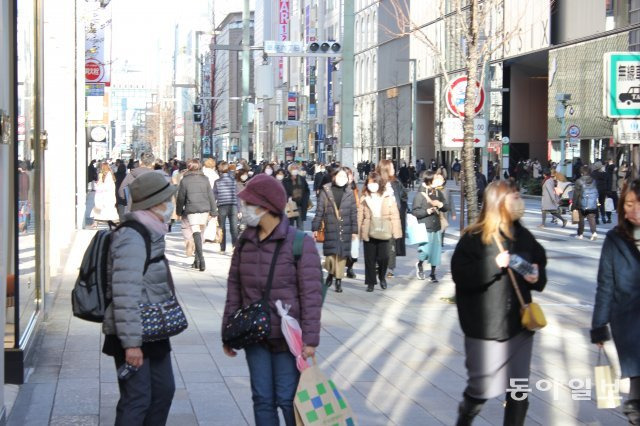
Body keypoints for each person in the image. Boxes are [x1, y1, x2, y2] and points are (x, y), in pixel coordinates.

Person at [222, 174, 322, 426]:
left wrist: (310, 340)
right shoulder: (245, 241)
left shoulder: (299, 243)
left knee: (287, 399)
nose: (243, 209)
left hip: (287, 340)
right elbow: (234, 287)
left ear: (264, 207)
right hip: (255, 335)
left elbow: (311, 295)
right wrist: (228, 331)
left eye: (248, 204)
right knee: (262, 399)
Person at [452, 180, 547, 426]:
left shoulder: (524, 236)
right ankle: (466, 414)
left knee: (518, 390)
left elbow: (539, 268)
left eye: (518, 196)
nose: (519, 202)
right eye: (513, 197)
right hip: (485, 328)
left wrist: (536, 276)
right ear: (498, 203)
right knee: (480, 389)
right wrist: (494, 264)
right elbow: (461, 276)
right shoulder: (474, 238)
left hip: (520, 326)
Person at [102, 172, 178, 425]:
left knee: (163, 391)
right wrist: (131, 344)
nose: (172, 206)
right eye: (168, 200)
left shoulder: (152, 230)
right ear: (155, 203)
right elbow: (125, 293)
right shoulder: (132, 236)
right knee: (138, 398)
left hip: (153, 326)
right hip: (134, 332)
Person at [591, 179, 640, 425]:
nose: (633, 210)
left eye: (638, 204)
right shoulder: (614, 239)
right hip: (629, 326)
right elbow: (605, 285)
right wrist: (599, 326)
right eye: (628, 204)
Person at [312, 168, 359, 293]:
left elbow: (354, 212)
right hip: (330, 226)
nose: (342, 178)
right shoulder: (326, 191)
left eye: (345, 176)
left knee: (342, 255)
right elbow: (319, 211)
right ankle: (331, 273)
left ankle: (338, 280)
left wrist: (355, 230)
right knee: (330, 256)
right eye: (340, 176)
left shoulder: (349, 192)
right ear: (334, 176)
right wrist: (315, 227)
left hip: (346, 227)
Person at [359, 171, 402, 292]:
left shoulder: (388, 196)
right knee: (369, 258)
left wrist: (397, 232)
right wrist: (357, 232)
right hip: (368, 229)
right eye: (370, 183)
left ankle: (382, 276)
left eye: (374, 182)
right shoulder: (364, 197)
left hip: (384, 230)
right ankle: (370, 282)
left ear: (379, 183)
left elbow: (395, 215)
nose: (372, 185)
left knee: (384, 257)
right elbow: (359, 215)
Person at [176, 159, 218, 271]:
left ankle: (201, 259)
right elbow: (211, 196)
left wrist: (179, 211)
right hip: (204, 209)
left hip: (192, 209)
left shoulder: (185, 180)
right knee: (200, 233)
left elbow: (180, 198)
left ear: (189, 167)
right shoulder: (205, 179)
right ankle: (197, 260)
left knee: (196, 232)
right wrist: (214, 211)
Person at [412, 171, 449, 282]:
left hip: (436, 226)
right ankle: (420, 263)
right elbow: (415, 211)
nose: (437, 181)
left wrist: (440, 205)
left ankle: (433, 274)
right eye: (434, 179)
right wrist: (427, 211)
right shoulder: (420, 194)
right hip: (425, 226)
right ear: (428, 180)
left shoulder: (438, 193)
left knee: (436, 252)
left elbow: (446, 207)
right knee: (425, 250)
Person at [377, 159, 407, 278]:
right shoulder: (377, 181)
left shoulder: (396, 182)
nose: (394, 170)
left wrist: (401, 206)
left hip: (393, 218)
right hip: (379, 218)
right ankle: (378, 265)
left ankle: (390, 268)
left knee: (391, 245)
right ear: (385, 169)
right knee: (379, 244)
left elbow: (404, 195)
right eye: (392, 167)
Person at [214, 161, 239, 255]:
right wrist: (239, 208)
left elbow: (214, 196)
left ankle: (222, 248)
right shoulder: (233, 180)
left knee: (222, 227)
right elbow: (237, 195)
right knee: (234, 228)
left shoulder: (217, 182)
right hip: (233, 206)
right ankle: (235, 246)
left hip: (222, 206)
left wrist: (213, 208)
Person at [572, 165, 599, 240]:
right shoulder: (594, 181)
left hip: (581, 203)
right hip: (592, 202)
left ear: (581, 172)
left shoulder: (578, 181)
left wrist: (573, 205)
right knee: (591, 218)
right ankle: (594, 233)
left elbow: (576, 194)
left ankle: (580, 234)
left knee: (581, 218)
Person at [283, 163, 310, 230]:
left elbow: (307, 190)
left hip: (300, 205)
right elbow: (283, 192)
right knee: (290, 225)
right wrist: (288, 198)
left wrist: (305, 199)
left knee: (300, 225)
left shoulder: (302, 179)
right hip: (290, 205)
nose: (295, 169)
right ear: (289, 170)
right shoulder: (286, 180)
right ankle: (290, 239)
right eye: (293, 168)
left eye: (296, 168)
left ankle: (299, 240)